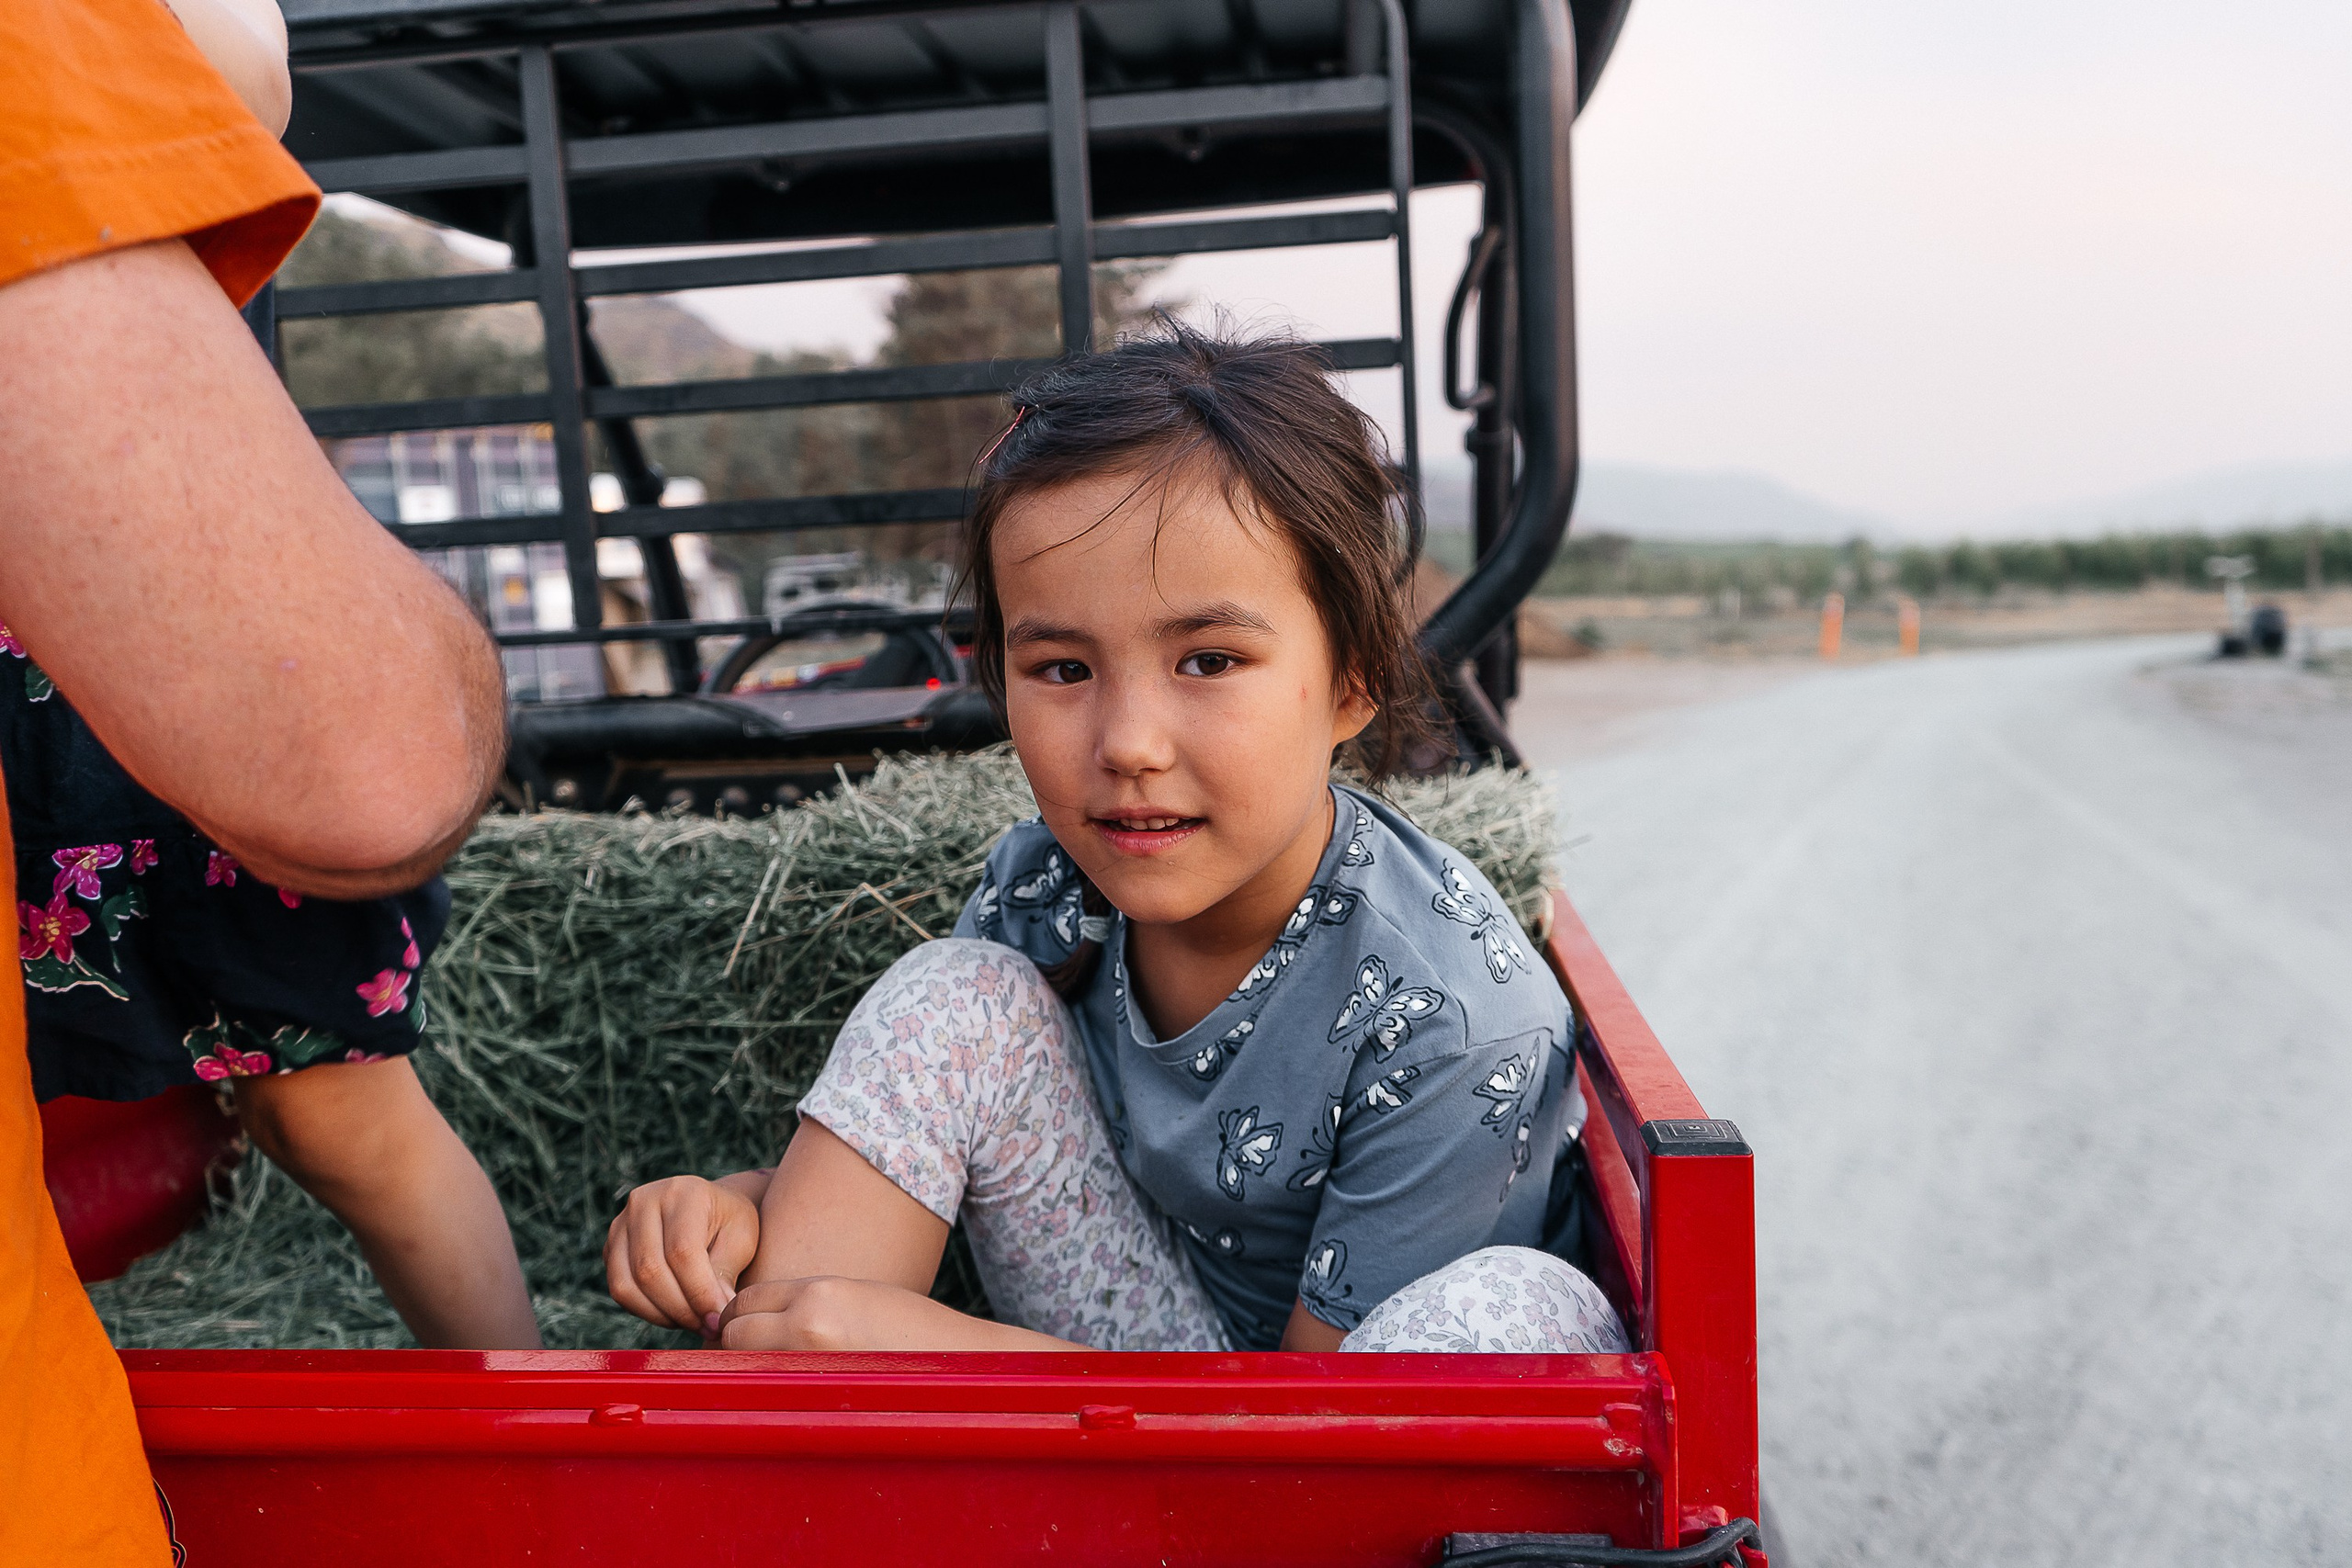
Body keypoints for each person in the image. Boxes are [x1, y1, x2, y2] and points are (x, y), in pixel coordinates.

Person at [605, 326, 1629, 1356]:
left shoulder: (1449, 1020)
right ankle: (810, 1455)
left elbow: (1320, 1462)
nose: (1128, 746)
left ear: (1353, 679)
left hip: (1344, 1431)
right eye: (1061, 670)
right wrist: (743, 1210)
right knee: (950, 996)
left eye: (1209, 661)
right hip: (1156, 1342)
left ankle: (894, 1417)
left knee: (1504, 1307)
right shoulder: (1047, 893)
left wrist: (964, 1367)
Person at [0, 0, 511, 1561]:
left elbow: (241, 64)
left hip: (124, 617)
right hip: (87, 627)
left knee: (341, 1111)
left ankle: (515, 1405)